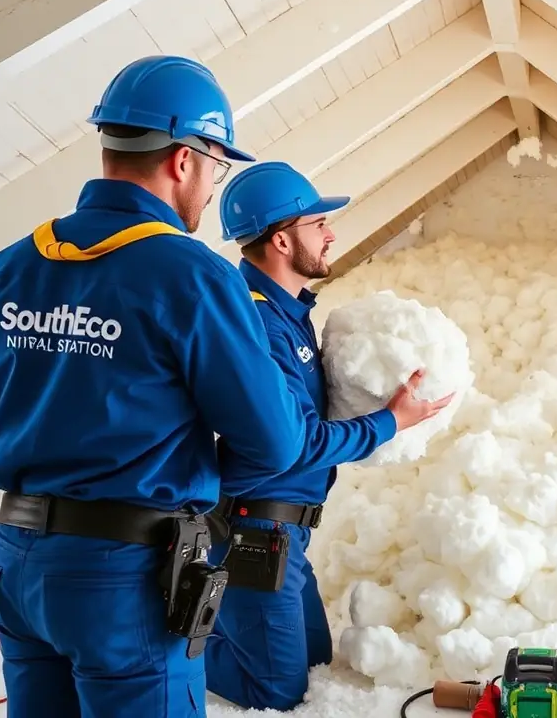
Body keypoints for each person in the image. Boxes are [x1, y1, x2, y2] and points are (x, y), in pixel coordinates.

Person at [0, 56, 309, 718]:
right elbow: (275, 441)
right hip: (125, 578)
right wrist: (188, 477)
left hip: (18, 565)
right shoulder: (190, 275)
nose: (209, 185)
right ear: (182, 159)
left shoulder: (9, 266)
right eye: (216, 166)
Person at [205, 161, 452, 711]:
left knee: (316, 662)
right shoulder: (260, 323)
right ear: (280, 239)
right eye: (318, 223)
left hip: (284, 532)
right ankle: (170, 642)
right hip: (255, 532)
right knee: (278, 689)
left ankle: (216, 614)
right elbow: (294, 442)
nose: (332, 232)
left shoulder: (289, 314)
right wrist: (391, 421)